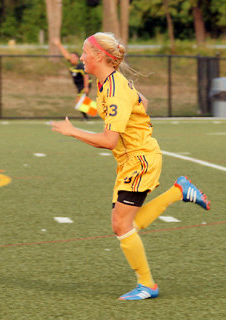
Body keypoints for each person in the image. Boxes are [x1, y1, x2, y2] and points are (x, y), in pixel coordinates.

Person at [51, 32, 210, 301]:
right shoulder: (108, 84)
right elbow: (142, 103)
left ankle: (147, 284)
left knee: (121, 225)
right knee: (125, 223)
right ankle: (178, 191)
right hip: (132, 160)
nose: (81, 58)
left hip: (139, 160)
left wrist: (72, 131)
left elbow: (109, 140)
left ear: (99, 56)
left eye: (85, 53)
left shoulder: (114, 89)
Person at [54, 38, 92, 120]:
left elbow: (86, 76)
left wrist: (86, 87)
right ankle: (94, 111)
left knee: (79, 101)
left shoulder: (80, 66)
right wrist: (59, 44)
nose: (72, 58)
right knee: (82, 102)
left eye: (74, 57)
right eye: (71, 57)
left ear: (78, 58)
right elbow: (65, 54)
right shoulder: (72, 63)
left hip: (84, 84)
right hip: (79, 86)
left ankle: (90, 114)